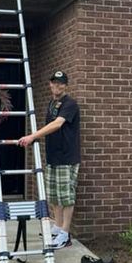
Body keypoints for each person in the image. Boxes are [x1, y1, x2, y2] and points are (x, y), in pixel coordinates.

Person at [18, 70, 80, 248]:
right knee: (54, 195)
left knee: (66, 197)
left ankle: (65, 234)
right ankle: (57, 227)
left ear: (66, 85)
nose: (57, 85)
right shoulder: (52, 103)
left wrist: (32, 136)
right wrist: (37, 137)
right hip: (53, 156)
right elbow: (51, 127)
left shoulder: (70, 104)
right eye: (54, 82)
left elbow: (57, 124)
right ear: (50, 84)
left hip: (67, 157)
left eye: (61, 83)